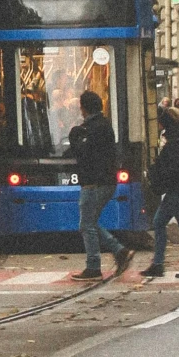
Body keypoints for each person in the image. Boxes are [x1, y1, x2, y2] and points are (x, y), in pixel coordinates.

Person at [68, 89, 133, 278]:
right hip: (103, 181)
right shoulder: (103, 125)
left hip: (94, 183)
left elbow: (85, 153)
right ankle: (116, 252)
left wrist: (74, 138)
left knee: (86, 224)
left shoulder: (95, 128)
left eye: (81, 107)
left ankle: (96, 263)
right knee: (89, 222)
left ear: (85, 108)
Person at [143, 101, 179, 279]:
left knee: (164, 223)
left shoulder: (174, 141)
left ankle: (168, 264)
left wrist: (158, 176)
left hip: (176, 190)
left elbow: (172, 166)